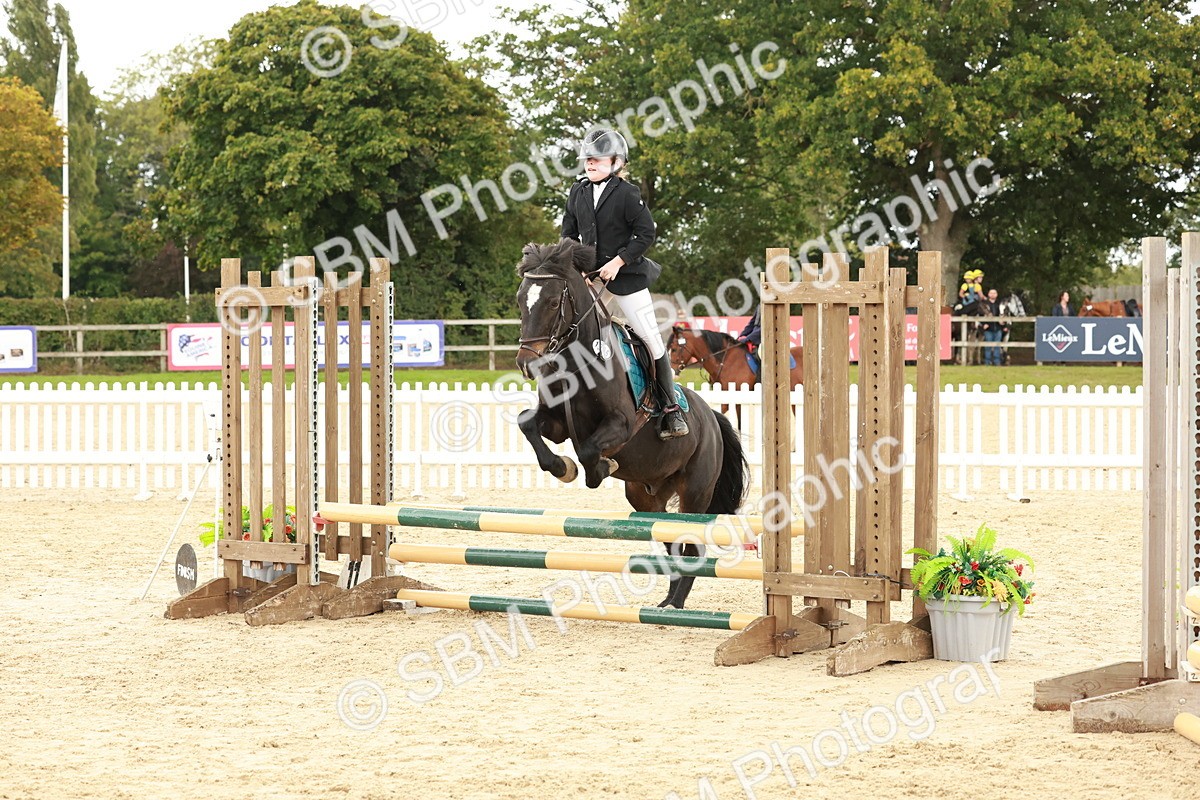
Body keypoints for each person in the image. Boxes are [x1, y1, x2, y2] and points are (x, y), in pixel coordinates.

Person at [561, 128, 687, 439]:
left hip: (626, 280)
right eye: (587, 159)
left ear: (616, 162)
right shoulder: (577, 192)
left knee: (651, 339)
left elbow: (645, 234)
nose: (589, 163)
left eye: (596, 158)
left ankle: (671, 410)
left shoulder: (627, 193)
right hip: (590, 281)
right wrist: (575, 269)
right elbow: (568, 236)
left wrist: (619, 261)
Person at [981, 288, 1003, 366]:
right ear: (988, 294)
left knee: (997, 346)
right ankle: (987, 362)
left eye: (994, 293)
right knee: (988, 346)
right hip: (988, 329)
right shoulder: (984, 305)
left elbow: (1004, 315)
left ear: (997, 295)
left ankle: (997, 362)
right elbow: (980, 316)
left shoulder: (1000, 305)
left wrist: (1003, 322)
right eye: (991, 293)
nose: (993, 294)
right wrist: (984, 324)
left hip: (998, 328)